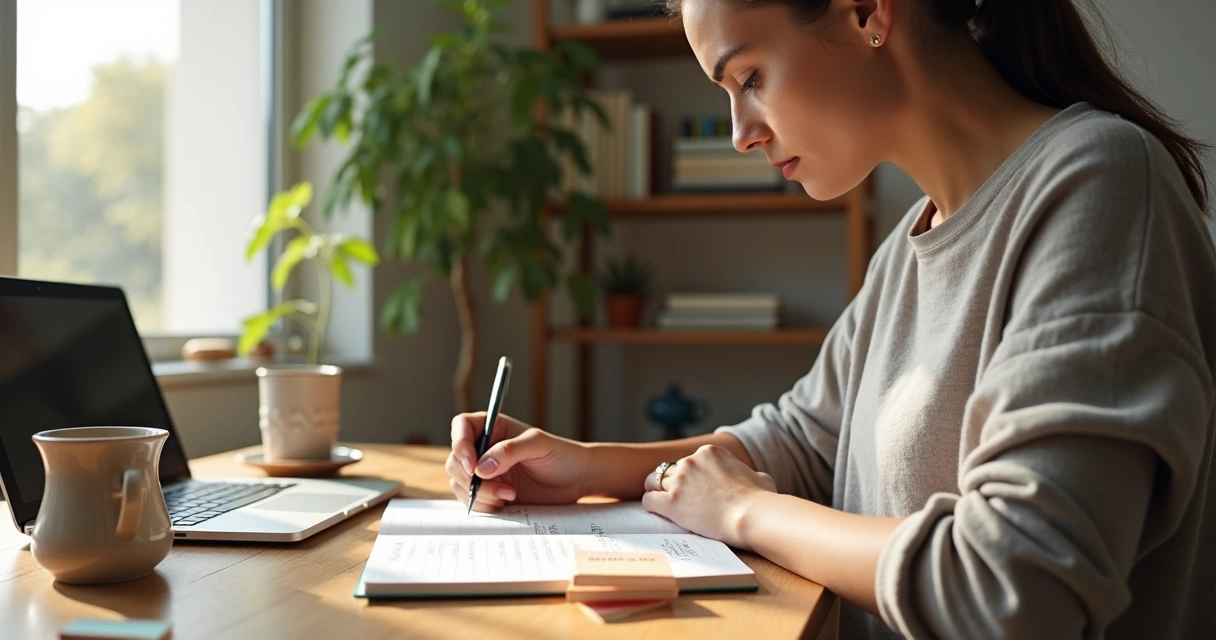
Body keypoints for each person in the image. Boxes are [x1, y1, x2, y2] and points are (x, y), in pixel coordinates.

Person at [446, 0, 1216, 637]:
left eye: (749, 76)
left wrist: (746, 510)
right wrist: (583, 468)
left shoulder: (1100, 185)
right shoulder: (907, 249)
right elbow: (799, 442)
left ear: (865, 12)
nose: (741, 130)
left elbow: (1015, 585)